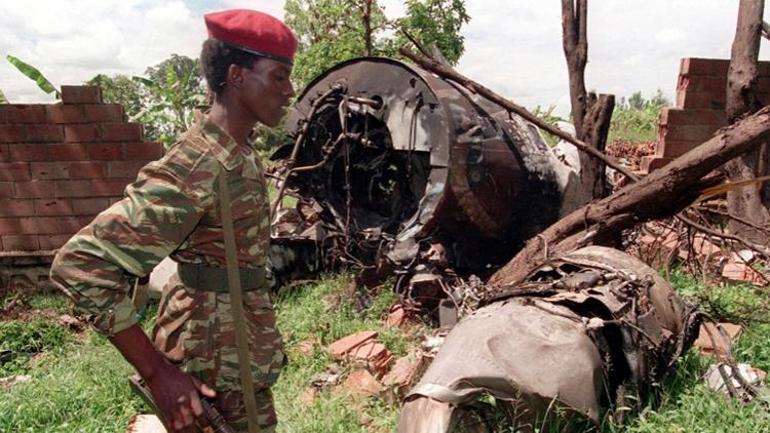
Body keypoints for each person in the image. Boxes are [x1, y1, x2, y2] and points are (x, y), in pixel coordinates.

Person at [50, 9, 296, 433]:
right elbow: (80, 264)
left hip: (239, 358)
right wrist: (157, 373)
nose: (290, 90)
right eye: (278, 76)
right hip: (211, 369)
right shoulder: (198, 165)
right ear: (237, 75)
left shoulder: (240, 155)